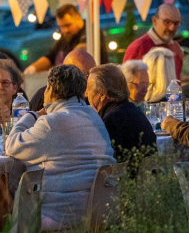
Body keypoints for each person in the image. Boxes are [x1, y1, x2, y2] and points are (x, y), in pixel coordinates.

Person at [5, 65, 115, 231]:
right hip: (97, 211)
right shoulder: (94, 117)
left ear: (52, 90)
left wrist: (33, 115)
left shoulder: (50, 123)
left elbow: (12, 145)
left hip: (59, 214)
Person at [86, 64, 156, 161]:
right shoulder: (136, 112)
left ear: (102, 94)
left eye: (89, 89)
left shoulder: (110, 121)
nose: (86, 93)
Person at [24, 4, 108, 74]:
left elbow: (79, 54)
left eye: (68, 25)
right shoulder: (66, 36)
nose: (64, 30)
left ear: (78, 18)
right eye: (61, 26)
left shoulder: (90, 30)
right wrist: (33, 68)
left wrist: (60, 72)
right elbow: (51, 57)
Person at [123, 3, 184, 79]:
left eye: (176, 23)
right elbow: (127, 82)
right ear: (154, 20)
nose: (172, 28)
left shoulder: (176, 47)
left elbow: (177, 80)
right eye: (167, 22)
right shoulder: (139, 46)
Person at [29, 49, 96, 112]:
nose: (88, 80)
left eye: (90, 75)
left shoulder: (96, 97)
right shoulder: (43, 95)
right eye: (84, 75)